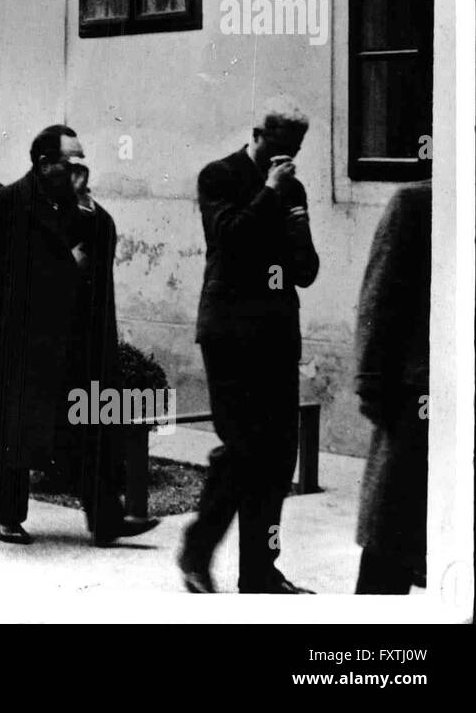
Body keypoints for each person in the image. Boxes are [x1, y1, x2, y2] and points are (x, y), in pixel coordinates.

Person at [0, 125, 159, 545]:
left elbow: (102, 242)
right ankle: (5, 516)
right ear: (45, 164)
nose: (79, 169)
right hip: (19, 341)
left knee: (91, 426)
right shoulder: (4, 205)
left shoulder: (78, 207)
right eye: (72, 161)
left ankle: (106, 518)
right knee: (14, 432)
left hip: (74, 341)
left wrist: (86, 204)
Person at [178, 97, 320, 594]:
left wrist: (293, 218)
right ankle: (197, 550)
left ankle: (260, 570)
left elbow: (305, 270)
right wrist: (269, 193)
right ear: (259, 134)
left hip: (277, 337)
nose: (288, 157)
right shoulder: (218, 176)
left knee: (278, 459)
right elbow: (229, 240)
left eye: (296, 149)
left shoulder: (292, 188)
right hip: (229, 337)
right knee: (242, 450)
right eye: (281, 146)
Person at [353, 180, 431, 594]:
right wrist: (370, 383)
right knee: (391, 541)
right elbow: (378, 299)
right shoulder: (417, 203)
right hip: (417, 398)